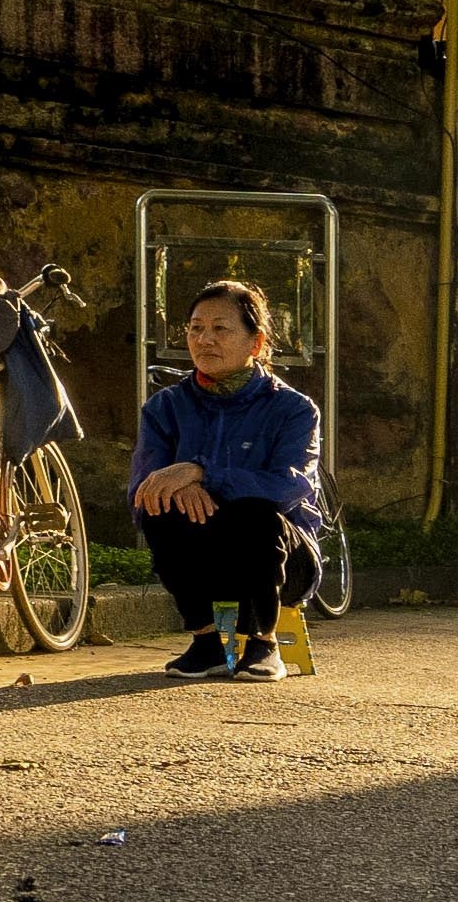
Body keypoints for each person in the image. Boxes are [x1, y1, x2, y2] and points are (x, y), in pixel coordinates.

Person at [128, 276, 323, 679]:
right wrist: (179, 488)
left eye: (220, 329)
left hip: (281, 561)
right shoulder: (165, 407)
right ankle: (205, 642)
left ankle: (262, 643)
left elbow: (290, 486)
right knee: (160, 506)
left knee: (255, 513)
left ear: (255, 342)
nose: (205, 340)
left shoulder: (293, 409)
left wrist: (202, 473)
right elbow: (143, 487)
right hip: (205, 557)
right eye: (196, 329)